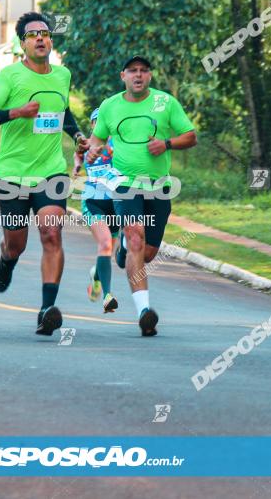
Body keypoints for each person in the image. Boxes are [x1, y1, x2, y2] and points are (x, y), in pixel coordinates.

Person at [0, 11, 88, 336]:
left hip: (51, 171)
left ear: (51, 40)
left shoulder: (62, 75)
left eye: (45, 33)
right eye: (32, 34)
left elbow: (63, 111)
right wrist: (17, 112)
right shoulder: (10, 77)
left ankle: (46, 310)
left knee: (51, 235)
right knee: (17, 245)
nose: (40, 38)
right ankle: (6, 260)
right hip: (12, 173)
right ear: (22, 43)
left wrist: (78, 136)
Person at [87, 56, 197, 336]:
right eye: (133, 71)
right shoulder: (110, 106)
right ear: (123, 76)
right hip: (124, 185)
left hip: (159, 187)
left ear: (149, 76)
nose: (138, 75)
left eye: (143, 71)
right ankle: (144, 313)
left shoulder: (165, 103)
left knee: (146, 253)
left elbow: (190, 136)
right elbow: (98, 137)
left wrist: (167, 143)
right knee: (136, 236)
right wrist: (94, 149)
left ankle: (124, 249)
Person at [75, 108, 120, 314]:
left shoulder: (119, 144)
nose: (101, 126)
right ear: (92, 125)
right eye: (96, 122)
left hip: (118, 203)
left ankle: (96, 276)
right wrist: (77, 166)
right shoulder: (86, 145)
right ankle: (107, 296)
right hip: (93, 202)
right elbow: (78, 155)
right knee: (104, 245)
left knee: (111, 251)